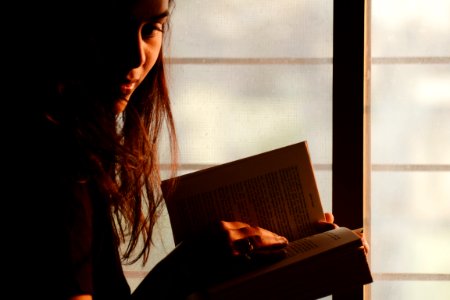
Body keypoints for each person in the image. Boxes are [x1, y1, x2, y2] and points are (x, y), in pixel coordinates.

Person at [8, 0, 346, 299]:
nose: (136, 55)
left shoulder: (84, 142)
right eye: (114, 26)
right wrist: (183, 272)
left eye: (152, 28)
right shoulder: (55, 160)